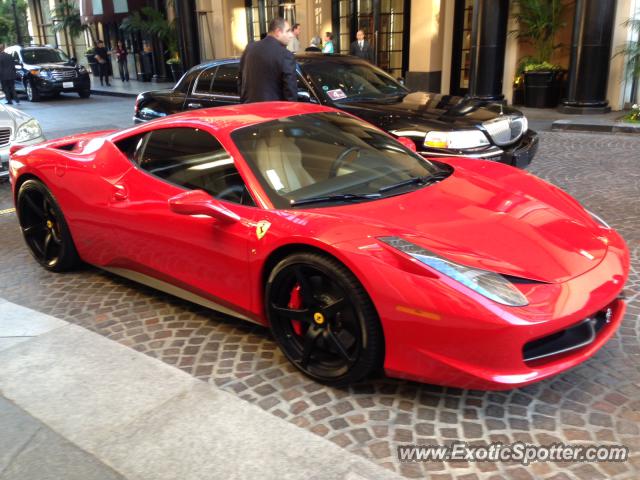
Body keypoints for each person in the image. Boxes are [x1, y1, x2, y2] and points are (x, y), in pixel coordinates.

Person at [239, 17, 296, 103]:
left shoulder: (249, 48)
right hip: (274, 112)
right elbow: (290, 92)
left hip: (249, 110)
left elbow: (240, 81)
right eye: (288, 31)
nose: (291, 35)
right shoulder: (285, 55)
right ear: (278, 32)